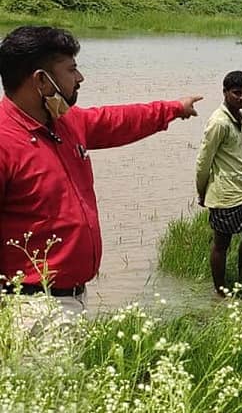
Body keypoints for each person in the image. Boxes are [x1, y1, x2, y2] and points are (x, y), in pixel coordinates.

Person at [0, 26, 202, 316]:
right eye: (71, 70)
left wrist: (172, 109)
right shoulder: (5, 141)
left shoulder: (63, 123)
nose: (80, 78)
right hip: (29, 307)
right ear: (42, 82)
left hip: (73, 299)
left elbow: (117, 121)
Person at [196, 71, 242, 297]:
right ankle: (220, 291)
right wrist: (202, 192)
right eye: (236, 93)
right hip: (224, 195)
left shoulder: (237, 116)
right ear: (225, 92)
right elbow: (203, 162)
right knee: (221, 244)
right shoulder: (218, 122)